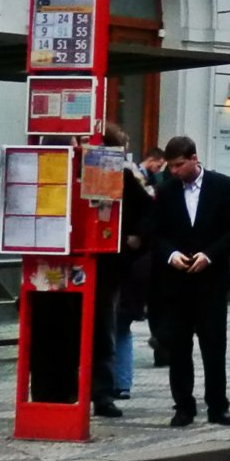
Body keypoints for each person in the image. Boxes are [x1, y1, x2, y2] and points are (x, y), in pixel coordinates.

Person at [149, 137, 230, 426]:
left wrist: (210, 255)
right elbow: (156, 232)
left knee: (213, 345)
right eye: (171, 166)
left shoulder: (221, 185)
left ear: (194, 158)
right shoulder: (165, 190)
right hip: (176, 283)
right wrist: (172, 254)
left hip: (211, 281)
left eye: (179, 165)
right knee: (179, 348)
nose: (174, 171)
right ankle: (183, 406)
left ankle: (217, 405)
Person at [99, 124, 153, 414]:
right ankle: (113, 386)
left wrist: (136, 238)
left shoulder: (122, 178)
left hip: (116, 264)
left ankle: (113, 386)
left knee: (114, 326)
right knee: (114, 327)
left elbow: (147, 211)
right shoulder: (122, 176)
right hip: (110, 264)